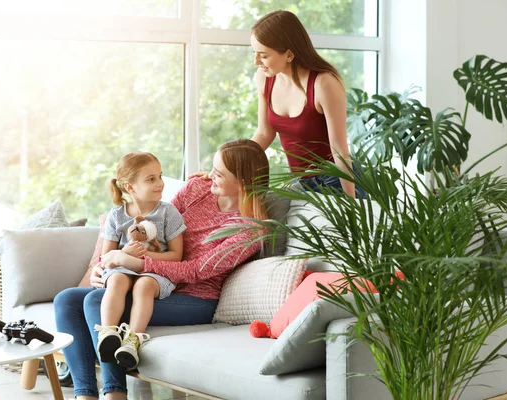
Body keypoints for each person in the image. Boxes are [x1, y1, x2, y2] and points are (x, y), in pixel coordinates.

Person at [54, 139, 269, 400]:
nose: (209, 175)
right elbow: (158, 222)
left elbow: (195, 271)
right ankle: (85, 394)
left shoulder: (250, 229)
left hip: (195, 299)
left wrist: (134, 263)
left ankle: (115, 394)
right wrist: (107, 264)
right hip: (152, 282)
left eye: (219, 173)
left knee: (94, 301)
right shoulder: (198, 189)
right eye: (212, 168)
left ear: (243, 182)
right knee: (66, 300)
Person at [250, 10, 358, 197]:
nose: (256, 61)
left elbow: (340, 150)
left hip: (333, 180)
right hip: (301, 183)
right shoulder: (265, 78)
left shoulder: (324, 83)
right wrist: (224, 167)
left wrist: (353, 206)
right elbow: (264, 133)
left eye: (264, 55)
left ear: (289, 55)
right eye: (255, 53)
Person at [96, 152, 186, 370]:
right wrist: (125, 253)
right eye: (151, 179)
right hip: (122, 270)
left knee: (144, 285)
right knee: (117, 281)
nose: (160, 183)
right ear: (130, 187)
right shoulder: (117, 215)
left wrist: (144, 257)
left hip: (155, 273)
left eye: (160, 176)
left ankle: (132, 341)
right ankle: (108, 334)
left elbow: (176, 256)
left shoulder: (168, 212)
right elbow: (106, 257)